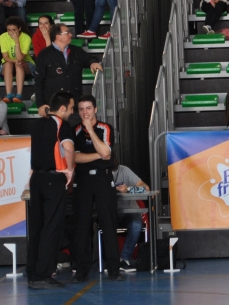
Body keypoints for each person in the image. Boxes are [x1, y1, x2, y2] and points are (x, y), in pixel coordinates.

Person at [26, 91, 75, 290]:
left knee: (36, 227)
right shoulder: (62, 125)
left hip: (36, 178)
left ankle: (32, 272)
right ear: (62, 108)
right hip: (53, 179)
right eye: (71, 108)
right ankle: (44, 274)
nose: (72, 112)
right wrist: (70, 170)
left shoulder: (36, 124)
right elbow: (68, 148)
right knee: (51, 227)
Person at [71, 95, 123, 282]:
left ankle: (114, 270)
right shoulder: (75, 131)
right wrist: (99, 155)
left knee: (108, 224)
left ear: (95, 109)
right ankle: (81, 271)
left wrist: (91, 131)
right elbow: (75, 158)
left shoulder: (105, 128)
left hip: (103, 179)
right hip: (82, 180)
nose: (85, 112)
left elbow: (107, 152)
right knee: (82, 226)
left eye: (88, 108)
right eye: (81, 109)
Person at [34, 24, 103, 118]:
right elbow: (38, 81)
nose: (71, 34)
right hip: (53, 107)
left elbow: (90, 58)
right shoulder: (44, 54)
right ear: (58, 36)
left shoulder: (76, 51)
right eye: (67, 33)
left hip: (74, 106)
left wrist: (93, 63)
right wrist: (40, 104)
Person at [110, 153, 150, 272]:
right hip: (111, 212)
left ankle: (124, 258)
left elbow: (145, 189)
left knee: (136, 224)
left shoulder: (124, 170)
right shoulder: (99, 174)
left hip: (129, 212)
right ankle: (111, 260)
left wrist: (128, 189)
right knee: (107, 225)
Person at [1, 16, 34, 103]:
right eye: (8, 30)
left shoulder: (26, 38)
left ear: (19, 28)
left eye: (14, 30)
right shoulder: (2, 37)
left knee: (19, 64)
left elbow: (20, 58)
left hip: (26, 64)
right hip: (8, 64)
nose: (11, 33)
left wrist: (17, 41)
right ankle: (9, 94)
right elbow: (5, 57)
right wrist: (15, 61)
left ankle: (19, 95)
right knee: (8, 64)